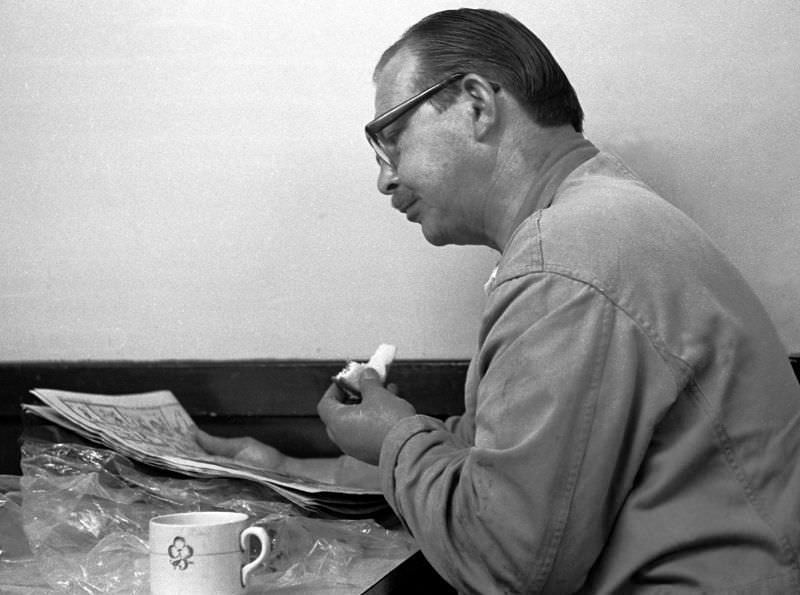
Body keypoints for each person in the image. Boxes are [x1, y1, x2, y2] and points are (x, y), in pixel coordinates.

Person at [197, 8, 800, 593]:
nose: (384, 177)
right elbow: (501, 453)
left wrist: (394, 437)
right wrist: (286, 470)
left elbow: (506, 566)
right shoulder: (601, 219)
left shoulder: (565, 258)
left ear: (477, 105)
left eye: (390, 138)